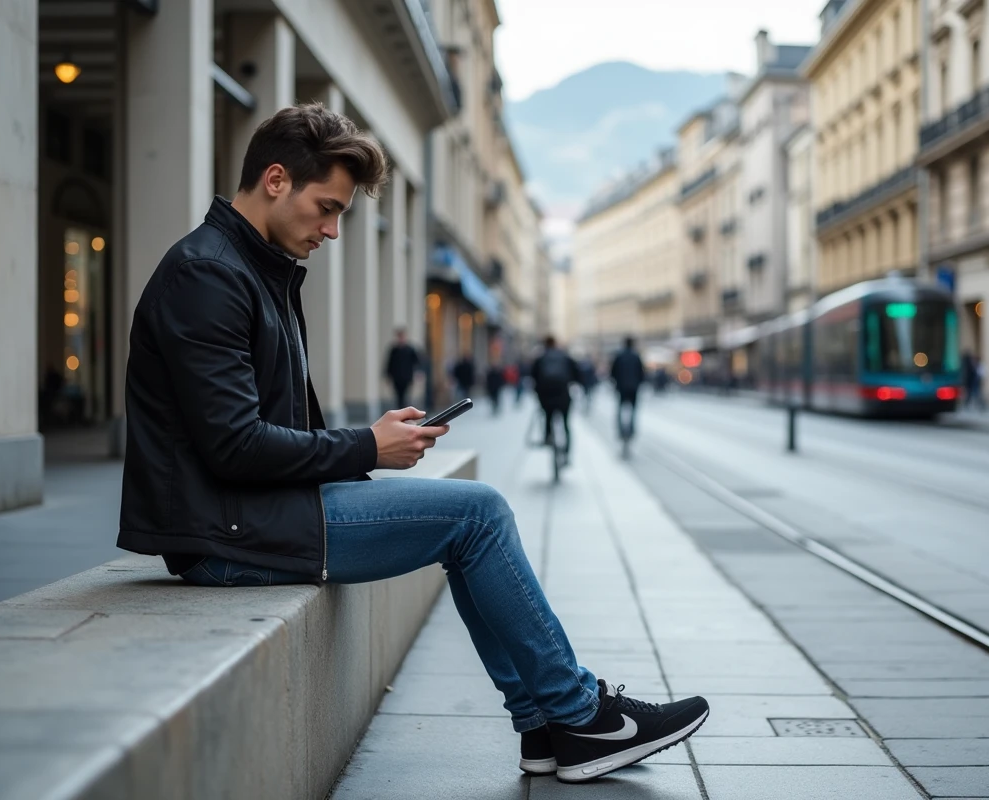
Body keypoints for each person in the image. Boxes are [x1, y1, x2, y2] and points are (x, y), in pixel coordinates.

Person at [115, 104, 708, 784]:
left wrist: (371, 442)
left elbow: (255, 432)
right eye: (327, 208)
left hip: (252, 513)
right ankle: (577, 716)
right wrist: (368, 447)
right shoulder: (209, 275)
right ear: (275, 180)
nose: (332, 230)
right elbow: (233, 446)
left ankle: (546, 728)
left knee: (470, 521)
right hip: (226, 532)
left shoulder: (253, 268)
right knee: (477, 514)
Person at [531, 336, 581, 460]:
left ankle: (548, 437)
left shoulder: (540, 358)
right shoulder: (565, 357)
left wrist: (538, 392)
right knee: (566, 423)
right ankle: (567, 453)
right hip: (563, 395)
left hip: (546, 396)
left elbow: (533, 377)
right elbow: (577, 373)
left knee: (548, 416)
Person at [610, 337, 645, 444]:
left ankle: (621, 429)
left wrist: (616, 383)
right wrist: (638, 383)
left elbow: (613, 372)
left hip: (621, 387)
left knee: (620, 408)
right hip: (634, 387)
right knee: (633, 409)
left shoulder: (619, 356)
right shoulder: (636, 356)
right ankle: (632, 429)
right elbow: (641, 373)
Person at [385, 327, 421, 410]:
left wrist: (418, 373)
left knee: (405, 395)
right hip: (396, 377)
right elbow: (389, 363)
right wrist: (388, 375)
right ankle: (400, 409)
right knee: (398, 395)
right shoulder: (394, 350)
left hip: (407, 376)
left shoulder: (410, 349)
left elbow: (417, 361)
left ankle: (404, 409)